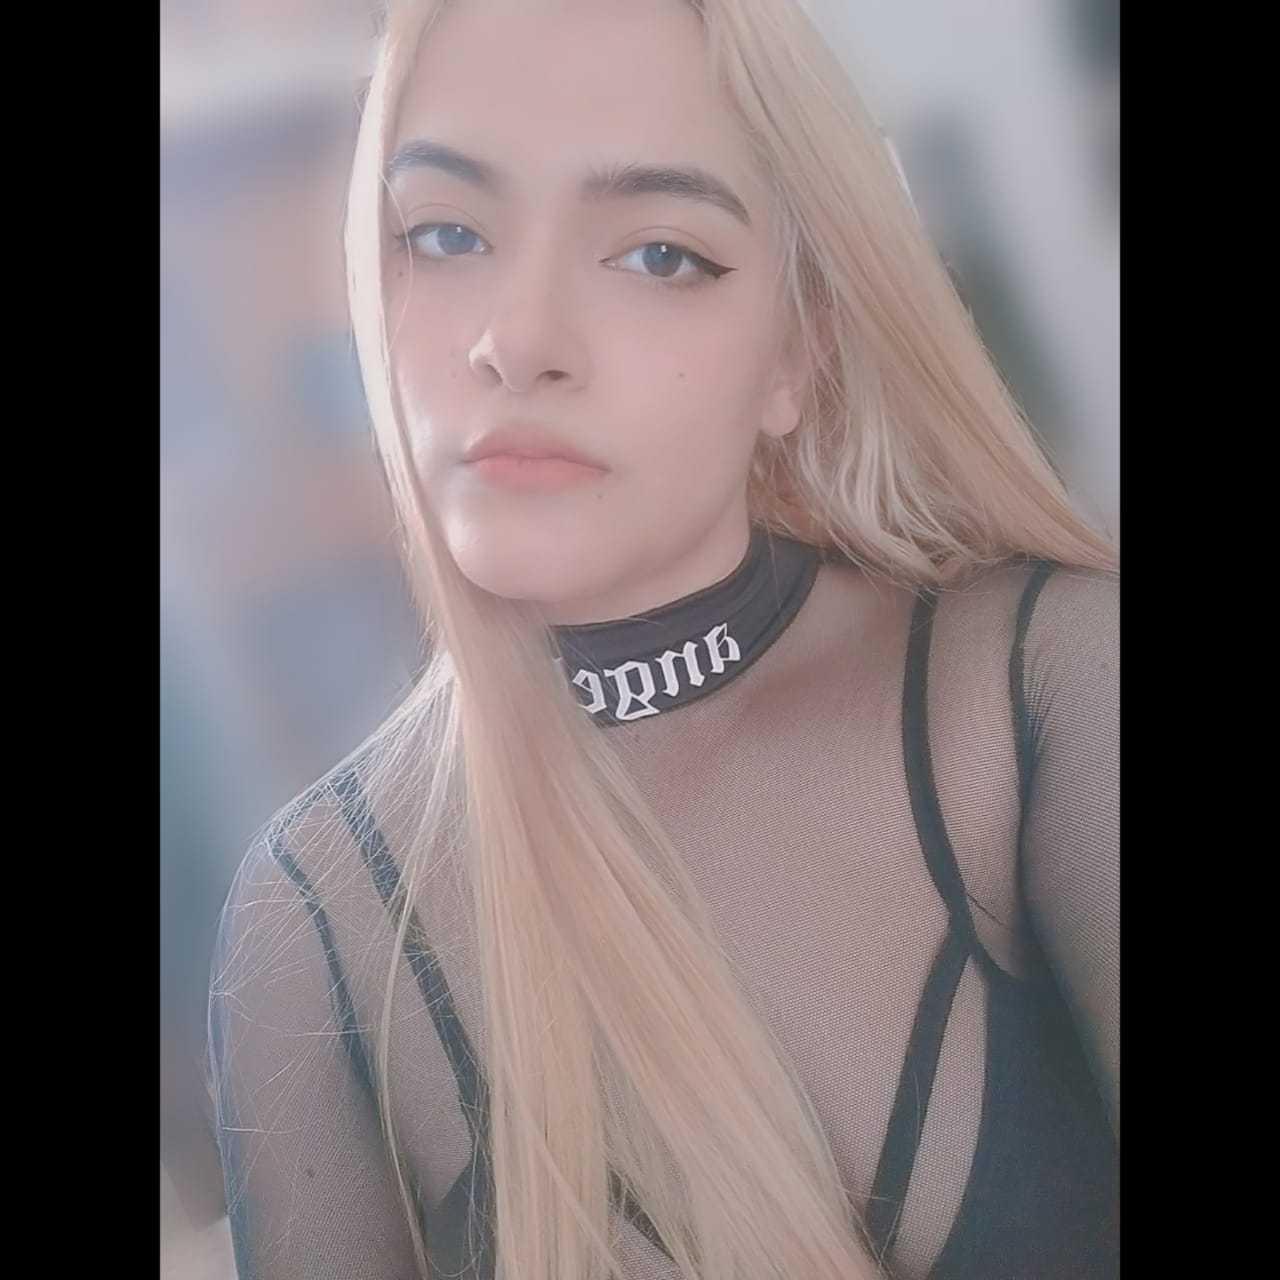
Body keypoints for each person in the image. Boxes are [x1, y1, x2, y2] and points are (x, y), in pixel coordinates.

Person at [207, 2, 1118, 1278]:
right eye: (446, 233)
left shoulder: (1046, 692)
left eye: (657, 254)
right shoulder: (316, 923)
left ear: (797, 349)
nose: (516, 341)